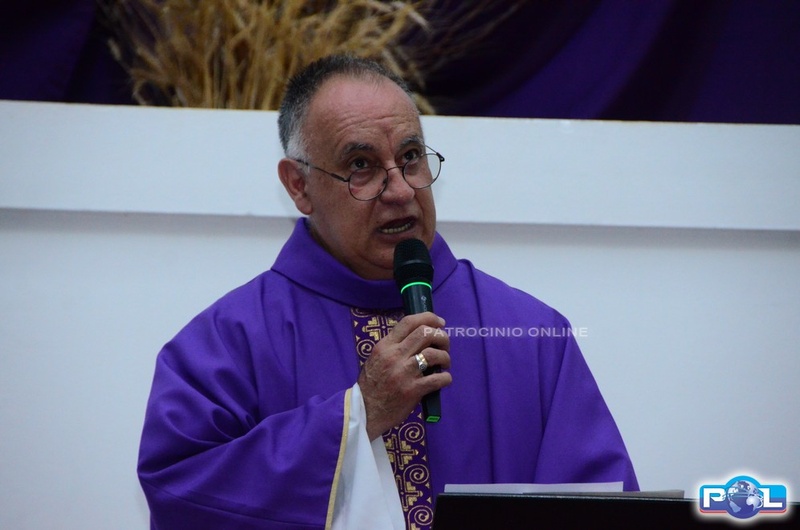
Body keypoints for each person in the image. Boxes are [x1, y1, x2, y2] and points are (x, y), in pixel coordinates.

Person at [137, 54, 638, 530]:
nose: (400, 190)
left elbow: (601, 511)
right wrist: (358, 415)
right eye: (361, 165)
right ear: (299, 186)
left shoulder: (533, 336)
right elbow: (181, 494)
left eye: (411, 157)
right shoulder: (226, 343)